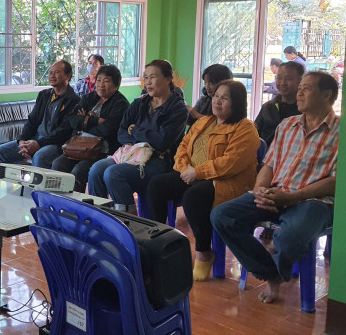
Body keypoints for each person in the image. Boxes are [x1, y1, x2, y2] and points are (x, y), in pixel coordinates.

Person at [210, 71, 339, 305]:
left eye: (306, 88)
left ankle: (277, 264)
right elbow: (268, 164)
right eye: (300, 87)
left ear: (327, 95)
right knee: (222, 215)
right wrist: (260, 190)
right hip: (275, 193)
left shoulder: (343, 132)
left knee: (290, 238)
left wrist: (291, 197)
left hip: (314, 201)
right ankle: (271, 273)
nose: (299, 92)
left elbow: (336, 181)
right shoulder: (287, 125)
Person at [147, 80, 260, 281]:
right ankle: (160, 243)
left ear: (237, 103)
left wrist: (197, 173)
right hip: (193, 174)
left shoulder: (245, 128)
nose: (217, 101)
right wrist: (185, 169)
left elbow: (230, 163)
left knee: (193, 197)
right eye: (216, 96)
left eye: (224, 98)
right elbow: (182, 147)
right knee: (157, 185)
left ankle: (203, 251)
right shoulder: (203, 122)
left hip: (226, 182)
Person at [87, 59, 188, 212]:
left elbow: (161, 142)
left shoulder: (178, 109)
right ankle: (100, 217)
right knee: (96, 170)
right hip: (132, 154)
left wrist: (135, 131)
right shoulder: (140, 103)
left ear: (168, 79)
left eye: (152, 77)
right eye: (145, 78)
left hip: (159, 161)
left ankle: (129, 220)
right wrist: (146, 137)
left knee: (113, 173)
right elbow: (121, 133)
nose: (148, 82)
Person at [52, 64, 129, 192]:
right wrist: (95, 120)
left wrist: (84, 120)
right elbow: (71, 118)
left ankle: (77, 202)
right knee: (58, 164)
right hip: (79, 147)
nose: (101, 85)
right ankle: (61, 199)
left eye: (106, 81)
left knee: (78, 171)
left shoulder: (121, 104)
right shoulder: (89, 97)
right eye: (98, 80)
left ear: (116, 85)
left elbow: (107, 129)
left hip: (103, 151)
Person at [0, 60, 80, 171]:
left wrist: (38, 144)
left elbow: (64, 132)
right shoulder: (44, 95)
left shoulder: (74, 100)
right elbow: (32, 120)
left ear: (68, 76)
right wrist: (22, 140)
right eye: (50, 72)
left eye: (57, 72)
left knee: (39, 156)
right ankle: (5, 182)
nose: (52, 75)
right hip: (35, 139)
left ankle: (38, 184)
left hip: (56, 144)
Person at [254, 61, 304, 147]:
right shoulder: (268, 107)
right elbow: (254, 134)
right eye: (279, 78)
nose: (282, 83)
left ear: (300, 81)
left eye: (288, 79)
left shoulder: (304, 111)